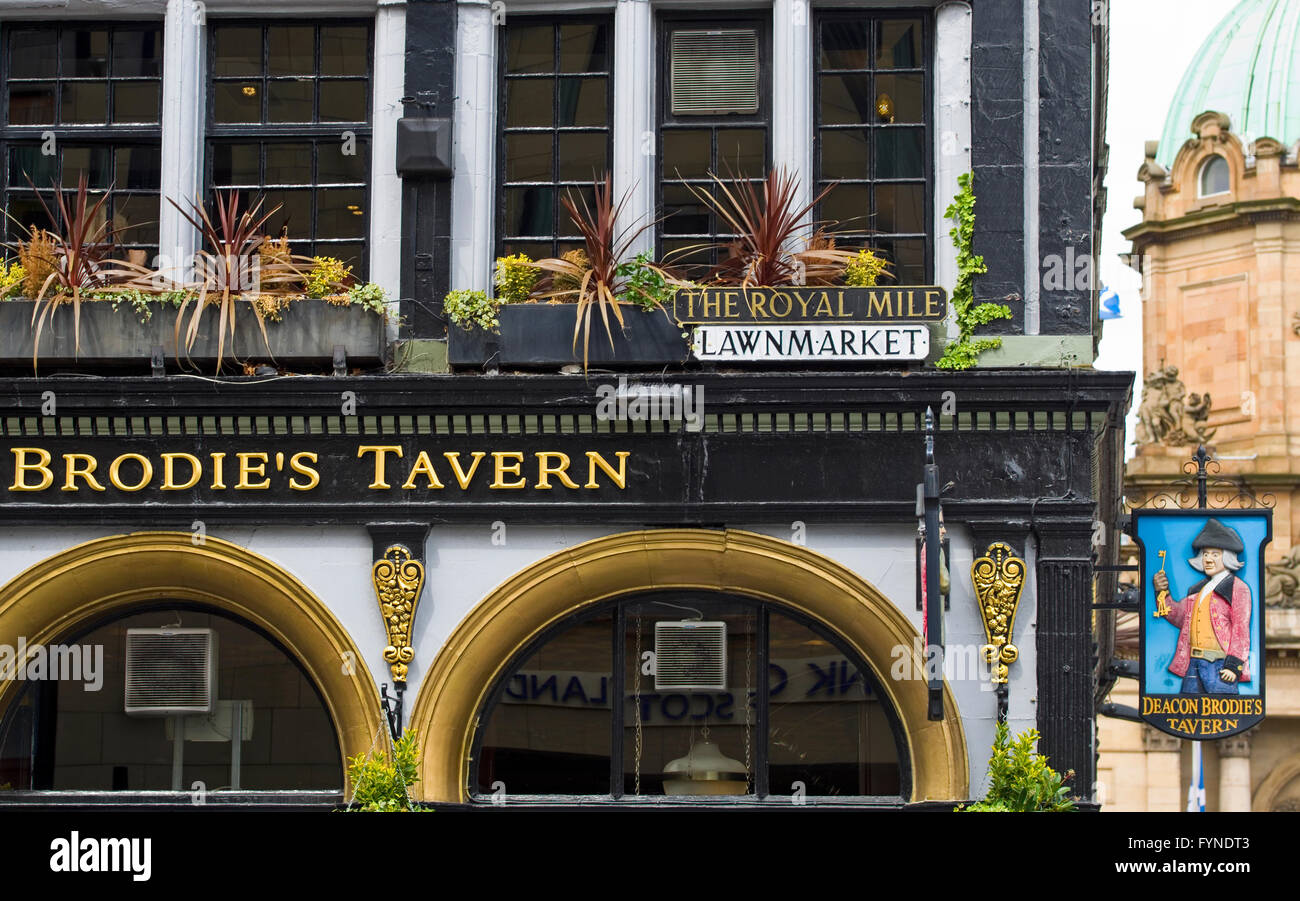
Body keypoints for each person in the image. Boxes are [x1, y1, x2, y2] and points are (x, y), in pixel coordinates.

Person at [1152, 518, 1251, 695]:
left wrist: (1233, 666)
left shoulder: (1238, 588)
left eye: (1215, 554)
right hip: (1193, 664)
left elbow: (1240, 630)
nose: (1208, 559)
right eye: (1205, 554)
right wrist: (1162, 593)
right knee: (1188, 716)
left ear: (1227, 557)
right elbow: (1179, 617)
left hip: (1220, 666)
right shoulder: (1198, 590)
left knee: (1222, 717)